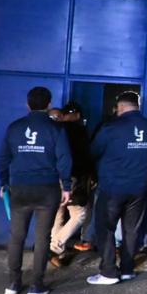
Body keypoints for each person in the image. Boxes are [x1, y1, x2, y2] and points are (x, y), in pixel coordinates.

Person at [0, 86, 72, 294]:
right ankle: (36, 285)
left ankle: (13, 283)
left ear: (27, 104)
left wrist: (4, 183)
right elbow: (65, 159)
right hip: (47, 189)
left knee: (16, 237)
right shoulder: (56, 129)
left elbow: (2, 159)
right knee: (42, 238)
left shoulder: (14, 128)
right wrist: (66, 186)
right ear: (49, 105)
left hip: (20, 188)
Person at [86, 91, 147, 285]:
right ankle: (127, 269)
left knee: (105, 227)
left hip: (113, 188)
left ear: (121, 107)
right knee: (132, 229)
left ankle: (108, 272)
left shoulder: (111, 128)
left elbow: (93, 152)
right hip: (140, 187)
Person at [49, 102, 94, 267]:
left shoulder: (53, 130)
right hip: (70, 178)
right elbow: (83, 157)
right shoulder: (78, 131)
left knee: (58, 214)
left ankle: (56, 251)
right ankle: (54, 249)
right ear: (77, 115)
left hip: (51, 178)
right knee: (79, 214)